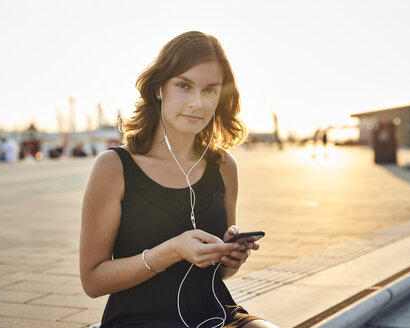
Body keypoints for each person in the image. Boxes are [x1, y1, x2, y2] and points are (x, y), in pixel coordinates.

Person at [80, 31, 279, 328]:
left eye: (210, 90)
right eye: (184, 86)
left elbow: (221, 275)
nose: (197, 103)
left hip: (217, 314)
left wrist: (228, 257)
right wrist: (172, 251)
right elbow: (93, 281)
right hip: (138, 320)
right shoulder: (114, 167)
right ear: (160, 87)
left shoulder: (224, 165)